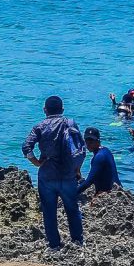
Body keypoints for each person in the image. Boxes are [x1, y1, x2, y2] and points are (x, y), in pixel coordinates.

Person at [23, 96, 86, 251]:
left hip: (47, 175)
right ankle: (77, 241)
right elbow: (81, 149)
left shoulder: (39, 127)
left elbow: (26, 147)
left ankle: (54, 244)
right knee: (72, 208)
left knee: (49, 211)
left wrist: (36, 162)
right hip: (67, 173)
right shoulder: (70, 123)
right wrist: (77, 168)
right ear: (62, 110)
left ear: (45, 110)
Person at [78, 127, 122, 200]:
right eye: (86, 141)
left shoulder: (99, 157)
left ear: (98, 141)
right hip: (117, 190)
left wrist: (71, 194)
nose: (88, 144)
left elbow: (89, 182)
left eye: (91, 141)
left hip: (110, 195)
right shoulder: (106, 150)